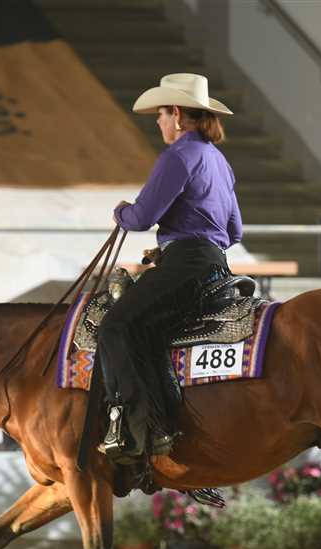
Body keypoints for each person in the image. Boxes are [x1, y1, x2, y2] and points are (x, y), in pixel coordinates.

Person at [97, 73, 242, 458]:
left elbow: (142, 217)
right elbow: (235, 230)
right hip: (216, 265)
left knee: (115, 326)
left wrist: (121, 212)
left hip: (187, 264)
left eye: (161, 114)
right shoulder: (219, 160)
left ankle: (144, 428)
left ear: (177, 114)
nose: (159, 122)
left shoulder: (178, 156)